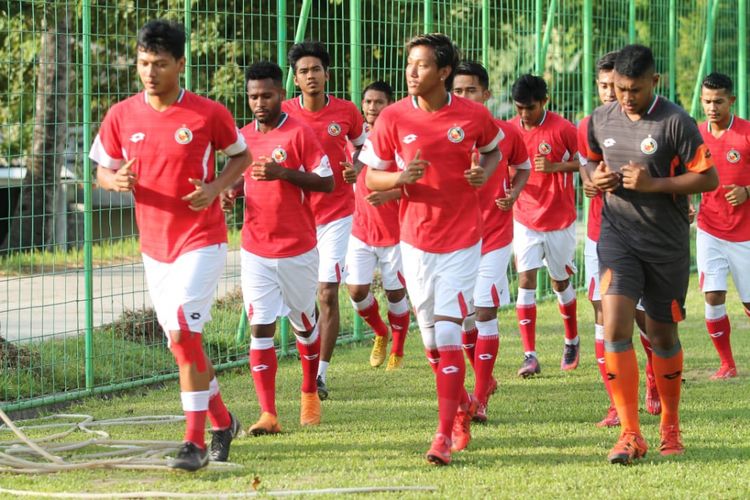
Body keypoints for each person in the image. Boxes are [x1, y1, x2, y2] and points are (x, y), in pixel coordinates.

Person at [89, 20, 250, 471]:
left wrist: (216, 186)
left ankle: (193, 443)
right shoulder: (122, 115)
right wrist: (114, 180)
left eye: (160, 64)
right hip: (154, 248)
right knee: (182, 345)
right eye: (143, 63)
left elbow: (242, 156)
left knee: (182, 329)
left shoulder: (208, 113)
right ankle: (223, 422)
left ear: (181, 64)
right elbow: (101, 167)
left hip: (201, 240)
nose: (150, 71)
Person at [360, 33, 502, 466]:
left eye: (421, 65)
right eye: (409, 64)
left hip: (462, 241)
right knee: (432, 346)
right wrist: (401, 179)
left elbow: (494, 153)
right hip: (415, 243)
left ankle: (444, 434)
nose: (411, 72)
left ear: (443, 72)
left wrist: (482, 176)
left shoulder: (474, 116)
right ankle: (460, 404)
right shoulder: (392, 119)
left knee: (447, 332)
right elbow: (370, 179)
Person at [588, 44, 718, 464]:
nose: (626, 97)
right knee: (615, 327)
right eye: (620, 89)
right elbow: (588, 162)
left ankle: (670, 426)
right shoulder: (600, 118)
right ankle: (630, 434)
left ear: (654, 82)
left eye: (635, 89)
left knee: (663, 337)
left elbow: (708, 178)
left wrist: (654, 186)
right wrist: (595, 180)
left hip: (666, 244)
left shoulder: (676, 121)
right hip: (617, 238)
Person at [223, 61, 334, 435]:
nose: (259, 102)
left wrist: (282, 173)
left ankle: (308, 393)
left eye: (266, 95)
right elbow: (238, 180)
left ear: (280, 95)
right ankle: (268, 414)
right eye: (253, 96)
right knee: (261, 326)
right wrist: (230, 193)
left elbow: (327, 182)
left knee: (305, 323)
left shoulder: (299, 134)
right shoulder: (242, 137)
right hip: (255, 248)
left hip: (298, 249)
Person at [578, 51, 661, 428]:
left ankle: (655, 377)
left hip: (645, 236)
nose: (612, 93)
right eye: (605, 86)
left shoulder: (651, 123)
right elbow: (586, 172)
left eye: (618, 86)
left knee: (646, 318)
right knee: (604, 318)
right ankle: (616, 402)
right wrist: (594, 182)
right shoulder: (591, 125)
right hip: (603, 235)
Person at [282, 41, 368, 400]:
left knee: (326, 293)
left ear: (326, 74)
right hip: (295, 217)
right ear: (295, 79)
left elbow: (365, 145)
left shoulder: (347, 112)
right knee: (298, 300)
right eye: (303, 71)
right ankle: (308, 351)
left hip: (336, 214)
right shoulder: (283, 113)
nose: (311, 76)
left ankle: (319, 375)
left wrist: (357, 167)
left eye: (316, 69)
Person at [452, 61, 531, 422]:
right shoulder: (445, 132)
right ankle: (484, 377)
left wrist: (513, 193)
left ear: (486, 94)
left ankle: (479, 399)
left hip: (495, 235)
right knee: (461, 317)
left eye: (471, 90)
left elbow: (524, 166)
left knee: (484, 310)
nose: (464, 96)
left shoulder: (504, 133)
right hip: (453, 237)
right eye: (458, 90)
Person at [509, 75, 581, 377]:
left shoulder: (563, 129)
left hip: (559, 218)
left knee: (559, 282)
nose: (524, 114)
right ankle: (530, 356)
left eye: (530, 107)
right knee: (525, 280)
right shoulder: (509, 130)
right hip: (524, 217)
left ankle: (572, 340)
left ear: (544, 102)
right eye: (519, 108)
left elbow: (585, 162)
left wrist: (555, 167)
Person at [344, 81, 411, 370]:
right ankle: (381, 332)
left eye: (379, 102)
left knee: (395, 293)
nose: (372, 107)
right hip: (359, 230)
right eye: (368, 102)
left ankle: (397, 349)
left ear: (390, 105)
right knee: (356, 290)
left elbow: (416, 184)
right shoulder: (353, 142)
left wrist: (389, 192)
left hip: (395, 232)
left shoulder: (399, 141)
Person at [697, 72, 750, 380]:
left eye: (718, 101)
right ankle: (727, 364)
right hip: (709, 228)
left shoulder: (745, 133)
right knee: (713, 294)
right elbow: (685, 172)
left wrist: (747, 191)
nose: (712, 107)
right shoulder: (695, 135)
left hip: (745, 232)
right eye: (706, 101)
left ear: (731, 101)